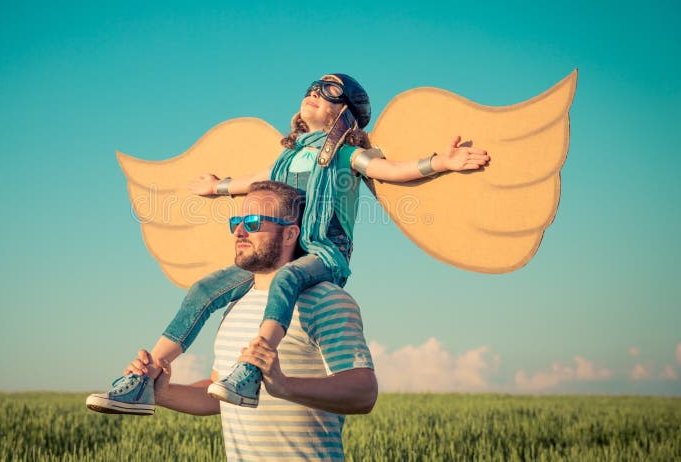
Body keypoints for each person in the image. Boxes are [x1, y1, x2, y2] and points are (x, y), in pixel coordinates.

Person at [86, 73, 490, 412]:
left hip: (320, 253)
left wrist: (441, 162)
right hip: (276, 256)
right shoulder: (286, 157)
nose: (315, 93)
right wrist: (217, 188)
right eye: (313, 87)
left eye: (329, 91)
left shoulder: (346, 155)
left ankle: (253, 366)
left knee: (286, 281)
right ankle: (145, 377)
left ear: (346, 111)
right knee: (205, 289)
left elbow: (392, 170)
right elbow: (254, 180)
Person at [122, 181, 379, 460]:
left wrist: (284, 385)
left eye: (254, 223)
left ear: (290, 233)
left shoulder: (326, 300)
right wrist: (161, 393)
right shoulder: (235, 305)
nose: (239, 231)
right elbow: (218, 393)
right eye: (237, 221)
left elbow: (363, 393)